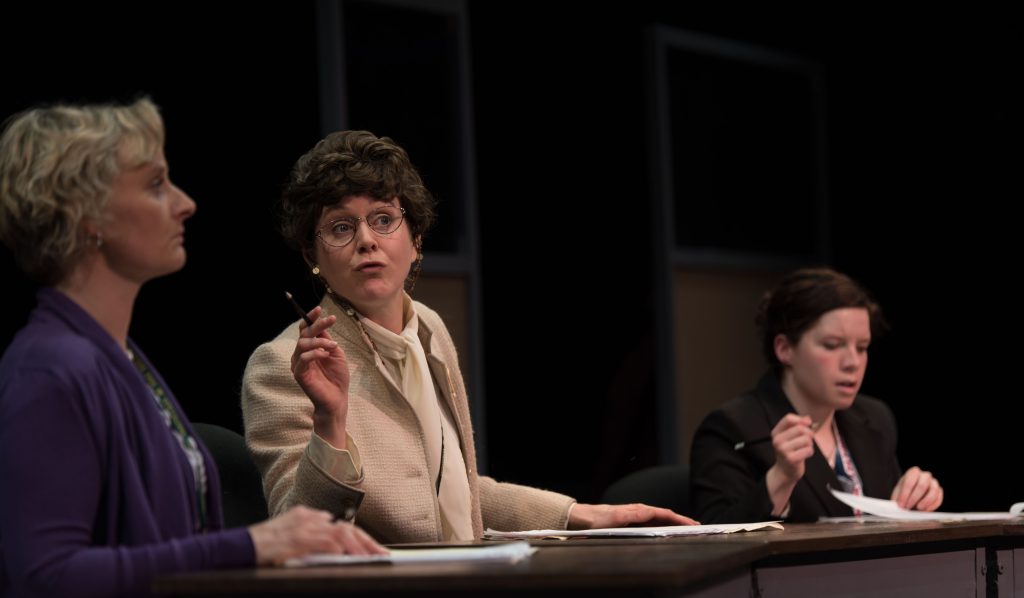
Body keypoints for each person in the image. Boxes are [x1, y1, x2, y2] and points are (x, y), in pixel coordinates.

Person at [0, 99, 384, 598]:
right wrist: (252, 546)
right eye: (156, 184)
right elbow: (52, 581)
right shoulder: (51, 368)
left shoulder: (114, 356)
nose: (185, 202)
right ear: (87, 217)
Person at [242, 130, 695, 543]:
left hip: (466, 583)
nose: (366, 240)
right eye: (341, 227)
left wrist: (583, 514)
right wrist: (330, 421)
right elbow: (297, 529)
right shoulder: (280, 366)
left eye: (383, 219)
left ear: (415, 240)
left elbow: (452, 485)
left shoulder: (429, 328)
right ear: (312, 255)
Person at [691, 267, 942, 523]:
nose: (852, 362)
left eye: (862, 347)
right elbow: (714, 539)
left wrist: (914, 500)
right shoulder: (733, 428)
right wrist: (781, 478)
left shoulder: (874, 418)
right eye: (833, 345)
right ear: (785, 348)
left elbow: (885, 522)